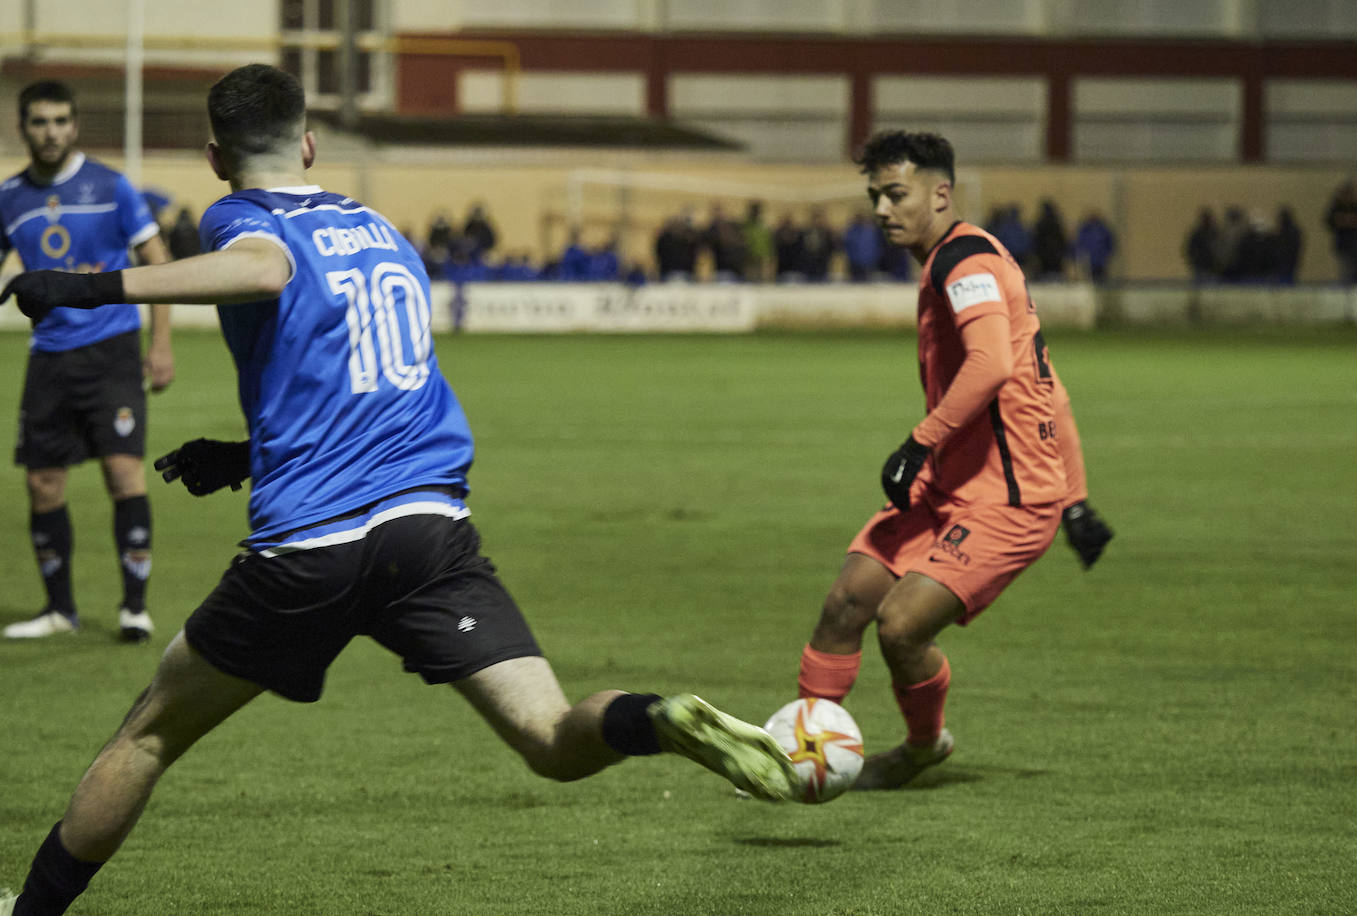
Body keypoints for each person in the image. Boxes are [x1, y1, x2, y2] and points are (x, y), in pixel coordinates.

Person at [0, 64, 799, 916]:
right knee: (551, 738)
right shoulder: (381, 230)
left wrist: (83, 288)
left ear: (214, 156)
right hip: (427, 531)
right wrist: (245, 456)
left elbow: (264, 273)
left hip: (312, 547)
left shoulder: (240, 214)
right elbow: (369, 380)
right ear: (309, 143)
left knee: (149, 732)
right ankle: (655, 716)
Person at [792, 130, 1113, 790]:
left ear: (941, 194)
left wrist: (920, 441)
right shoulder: (961, 259)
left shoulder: (961, 264)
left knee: (900, 626)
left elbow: (992, 366)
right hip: (952, 485)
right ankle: (798, 751)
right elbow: (1046, 386)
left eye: (896, 194)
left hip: (1008, 502)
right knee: (846, 602)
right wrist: (1078, 498)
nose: (881, 209)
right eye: (875, 195)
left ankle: (920, 747)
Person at [0, 80, 174, 643]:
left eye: (59, 121)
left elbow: (157, 261)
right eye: (38, 122)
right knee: (44, 485)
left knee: (123, 474)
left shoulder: (111, 186)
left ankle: (134, 608)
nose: (49, 132)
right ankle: (59, 610)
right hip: (49, 355)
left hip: (111, 351)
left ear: (73, 126)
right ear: (22, 127)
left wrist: (161, 342)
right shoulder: (10, 197)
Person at [1073, 210, 1115, 283]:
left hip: (1100, 261)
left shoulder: (1102, 230)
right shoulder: (1085, 230)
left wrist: (1105, 255)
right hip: (1088, 261)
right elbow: (1079, 245)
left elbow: (1110, 244)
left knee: (1100, 278)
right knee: (1089, 279)